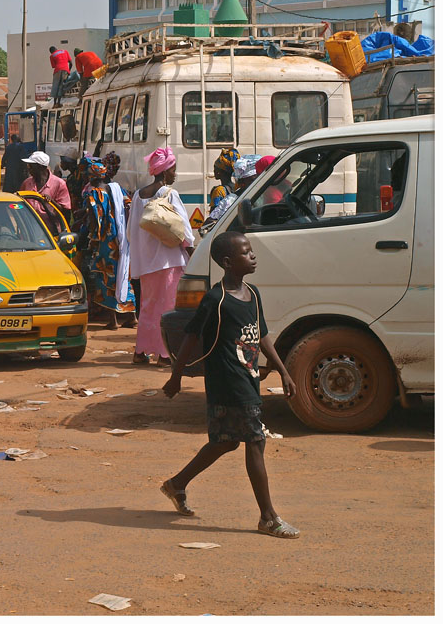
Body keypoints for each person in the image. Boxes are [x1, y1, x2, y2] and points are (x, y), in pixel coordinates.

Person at [161, 231, 300, 539]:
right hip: (227, 381)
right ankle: (268, 518)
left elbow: (262, 336)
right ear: (227, 262)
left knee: (225, 441)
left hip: (248, 378)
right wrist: (176, 376)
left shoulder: (252, 293)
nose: (253, 256)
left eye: (251, 251)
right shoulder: (216, 299)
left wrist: (283, 371)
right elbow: (191, 337)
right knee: (254, 440)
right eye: (245, 253)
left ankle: (177, 484)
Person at [127, 147, 194, 366]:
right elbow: (183, 228)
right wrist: (191, 250)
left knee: (147, 307)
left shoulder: (138, 195)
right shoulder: (169, 194)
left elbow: (131, 231)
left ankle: (140, 352)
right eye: (173, 170)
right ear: (165, 172)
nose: (175, 175)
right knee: (168, 308)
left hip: (146, 263)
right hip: (169, 262)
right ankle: (165, 354)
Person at [80, 159, 136, 330]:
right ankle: (132, 316)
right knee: (124, 274)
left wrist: (92, 236)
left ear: (92, 177)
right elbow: (130, 206)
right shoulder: (118, 190)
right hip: (122, 240)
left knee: (106, 277)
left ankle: (113, 320)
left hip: (106, 242)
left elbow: (95, 218)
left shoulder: (95, 194)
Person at [20, 151, 72, 229]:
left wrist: (51, 202)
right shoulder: (26, 183)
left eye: (31, 166)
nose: (28, 169)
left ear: (40, 167)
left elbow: (65, 211)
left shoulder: (59, 184)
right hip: (29, 232)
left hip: (50, 233)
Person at [207, 155, 262, 222]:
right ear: (242, 183)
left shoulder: (263, 195)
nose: (257, 183)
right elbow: (211, 222)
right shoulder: (231, 200)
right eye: (253, 180)